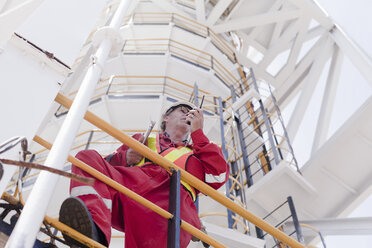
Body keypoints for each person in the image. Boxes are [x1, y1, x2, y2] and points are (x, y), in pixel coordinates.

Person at [59, 101, 229, 248]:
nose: (188, 114)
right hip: (130, 186)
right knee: (86, 159)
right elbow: (104, 168)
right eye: (182, 111)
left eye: (192, 113)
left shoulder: (198, 155)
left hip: (170, 205)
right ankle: (93, 232)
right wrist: (125, 157)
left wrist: (198, 134)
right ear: (166, 118)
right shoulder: (143, 140)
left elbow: (219, 176)